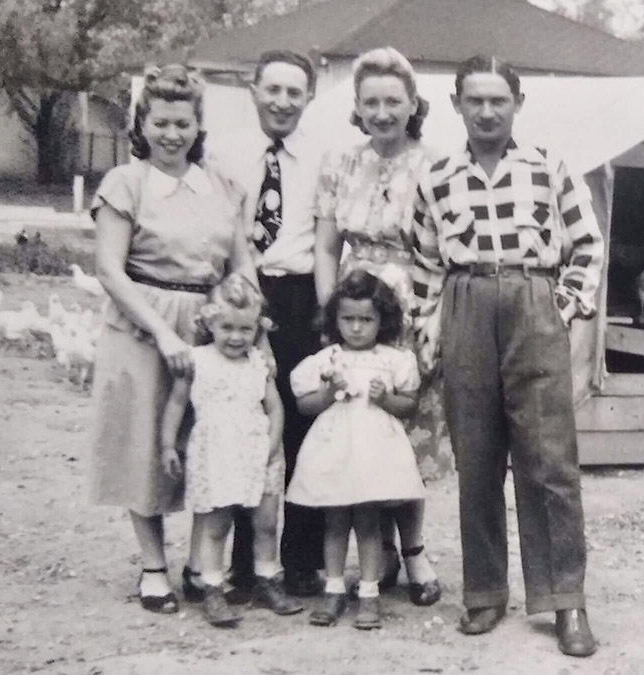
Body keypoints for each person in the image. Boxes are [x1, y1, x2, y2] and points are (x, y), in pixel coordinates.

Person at [410, 55, 605, 657]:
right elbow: (422, 262)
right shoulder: (437, 176)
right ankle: (486, 592)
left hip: (532, 300)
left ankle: (564, 599)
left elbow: (587, 246)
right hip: (465, 304)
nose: (487, 111)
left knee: (549, 460)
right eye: (476, 100)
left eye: (499, 100)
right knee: (478, 457)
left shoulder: (547, 167)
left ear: (517, 103)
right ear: (456, 105)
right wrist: (427, 328)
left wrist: (562, 308)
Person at [88, 64, 255, 614]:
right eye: (160, 123)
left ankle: (203, 563)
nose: (171, 135)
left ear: (196, 124)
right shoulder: (126, 183)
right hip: (142, 323)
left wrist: (246, 321)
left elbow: (240, 264)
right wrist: (162, 332)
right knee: (145, 444)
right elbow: (110, 269)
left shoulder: (221, 186)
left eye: (182, 123)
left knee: (211, 443)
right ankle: (153, 567)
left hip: (210, 326)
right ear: (143, 123)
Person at [312, 46, 444, 609]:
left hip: (413, 306)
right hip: (355, 308)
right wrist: (330, 316)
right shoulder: (340, 162)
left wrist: (433, 319)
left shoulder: (437, 164)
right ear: (358, 107)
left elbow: (446, 253)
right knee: (358, 428)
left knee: (405, 432)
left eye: (394, 101)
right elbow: (324, 246)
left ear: (413, 104)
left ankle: (412, 549)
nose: (383, 112)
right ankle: (377, 551)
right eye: (372, 102)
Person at [209, 49, 327, 599]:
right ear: (253, 90)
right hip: (241, 292)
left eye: (294, 92)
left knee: (302, 426)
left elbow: (330, 239)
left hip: (301, 294)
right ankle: (239, 564)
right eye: (272, 89)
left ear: (310, 97)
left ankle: (300, 560)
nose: (282, 102)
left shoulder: (326, 156)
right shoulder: (224, 154)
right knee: (241, 419)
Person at [159, 274, 304, 627]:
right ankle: (211, 588)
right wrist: (167, 444)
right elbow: (177, 404)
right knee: (216, 524)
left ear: (257, 328)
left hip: (258, 451)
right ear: (210, 322)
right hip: (216, 453)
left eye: (245, 329)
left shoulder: (258, 363)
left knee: (267, 522)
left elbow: (275, 409)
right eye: (227, 327)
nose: (236, 337)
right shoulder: (197, 360)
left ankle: (268, 581)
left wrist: (271, 447)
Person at [287, 271, 427, 629]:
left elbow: (409, 405)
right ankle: (333, 590)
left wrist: (386, 398)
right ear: (335, 319)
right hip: (335, 451)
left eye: (366, 319)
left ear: (383, 320)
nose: (357, 328)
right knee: (334, 523)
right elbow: (305, 405)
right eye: (348, 319)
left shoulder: (393, 360)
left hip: (373, 454)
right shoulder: (327, 359)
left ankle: (369, 593)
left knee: (368, 525)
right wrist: (329, 392)